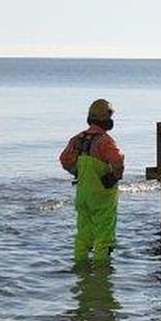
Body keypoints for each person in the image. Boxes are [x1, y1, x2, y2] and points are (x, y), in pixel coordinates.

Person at [60, 98, 125, 264]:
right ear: (107, 120)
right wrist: (112, 177)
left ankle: (81, 270)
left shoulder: (77, 139)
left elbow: (64, 160)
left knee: (83, 236)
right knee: (104, 237)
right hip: (102, 197)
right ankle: (101, 277)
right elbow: (118, 162)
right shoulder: (106, 141)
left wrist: (77, 171)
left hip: (82, 195)